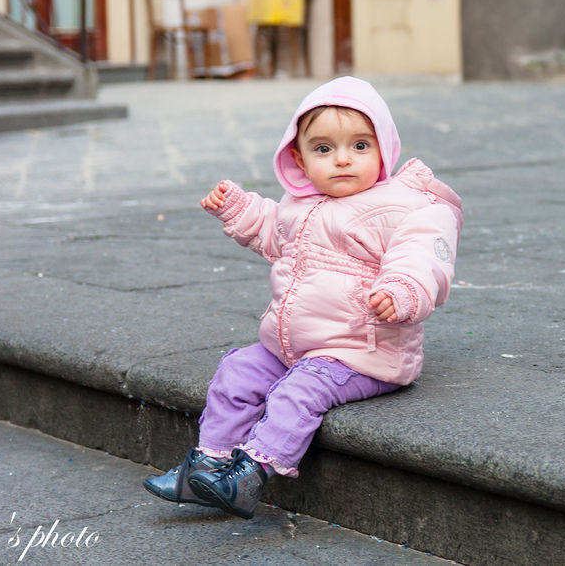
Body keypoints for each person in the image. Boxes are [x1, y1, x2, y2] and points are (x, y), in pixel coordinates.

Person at [143, 76, 463, 519]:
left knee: (299, 391)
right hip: (293, 345)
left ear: (384, 149)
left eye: (360, 146)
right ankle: (209, 463)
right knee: (237, 371)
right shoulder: (300, 205)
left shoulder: (405, 207)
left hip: (361, 353)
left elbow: (422, 255)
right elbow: (273, 231)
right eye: (324, 149)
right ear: (299, 158)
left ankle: (248, 475)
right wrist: (238, 208)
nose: (343, 160)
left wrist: (403, 290)